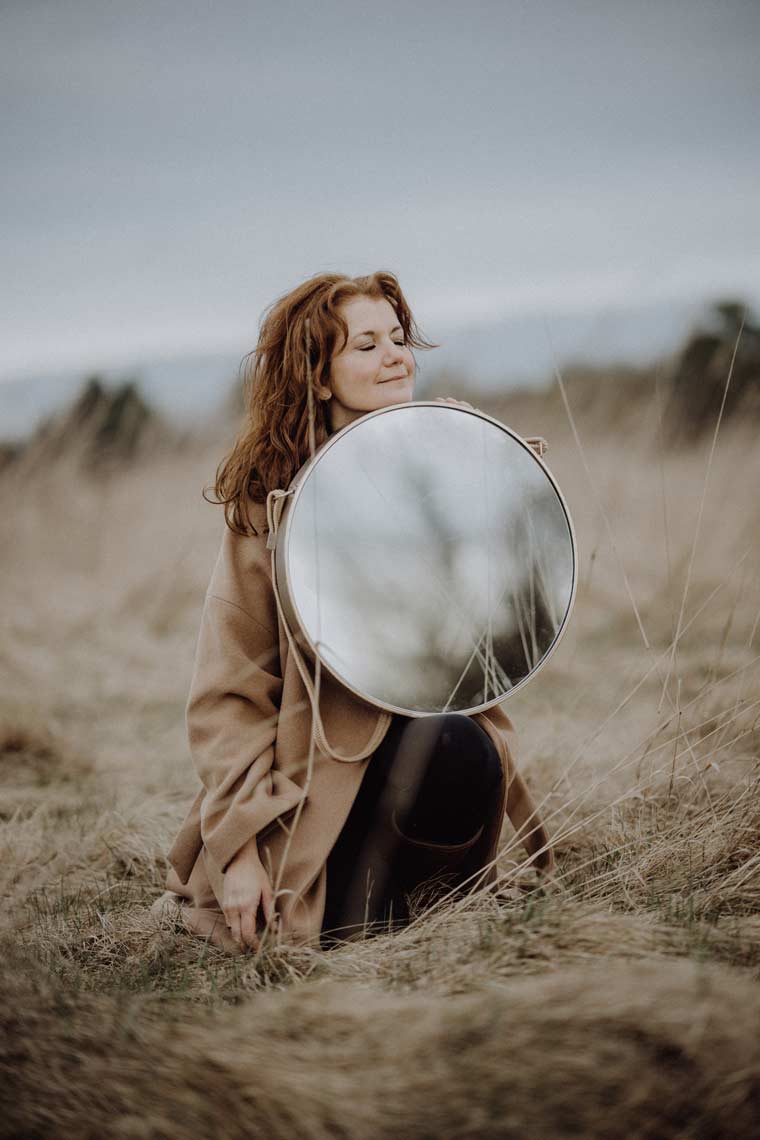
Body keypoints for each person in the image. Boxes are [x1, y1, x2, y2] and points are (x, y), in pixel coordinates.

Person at [152, 270, 554, 955]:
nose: (396, 356)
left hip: (429, 752)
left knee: (459, 746)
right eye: (366, 346)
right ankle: (360, 918)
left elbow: (500, 611)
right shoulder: (269, 509)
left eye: (398, 339)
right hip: (315, 789)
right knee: (329, 927)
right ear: (317, 376)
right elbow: (229, 694)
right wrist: (239, 850)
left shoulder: (441, 468)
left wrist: (476, 461)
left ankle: (421, 912)